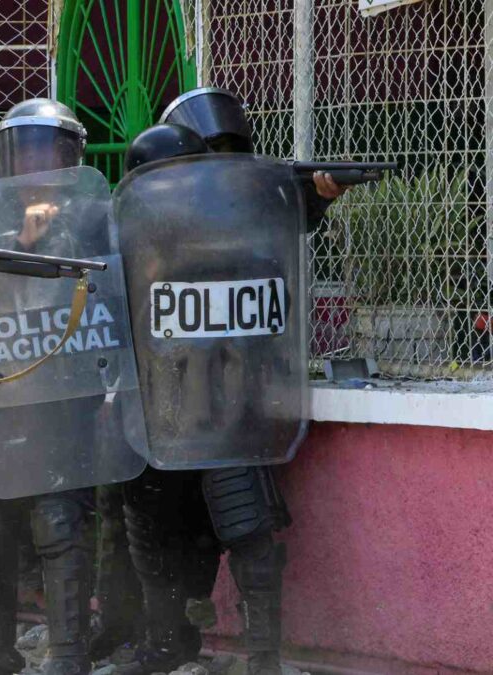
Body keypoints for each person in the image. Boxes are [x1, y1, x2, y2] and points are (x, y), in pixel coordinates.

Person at [116, 107, 348, 675]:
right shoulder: (122, 240)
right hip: (159, 411)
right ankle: (167, 643)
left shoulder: (228, 234)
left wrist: (312, 200)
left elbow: (271, 231)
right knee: (151, 534)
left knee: (250, 529)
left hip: (228, 408)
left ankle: (263, 657)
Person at [0, 99, 141, 675]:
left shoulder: (96, 214)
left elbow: (118, 288)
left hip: (68, 389)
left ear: (71, 153)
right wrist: (25, 242)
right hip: (1, 389)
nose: (34, 164)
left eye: (46, 149)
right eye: (23, 150)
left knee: (60, 518)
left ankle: (67, 653)